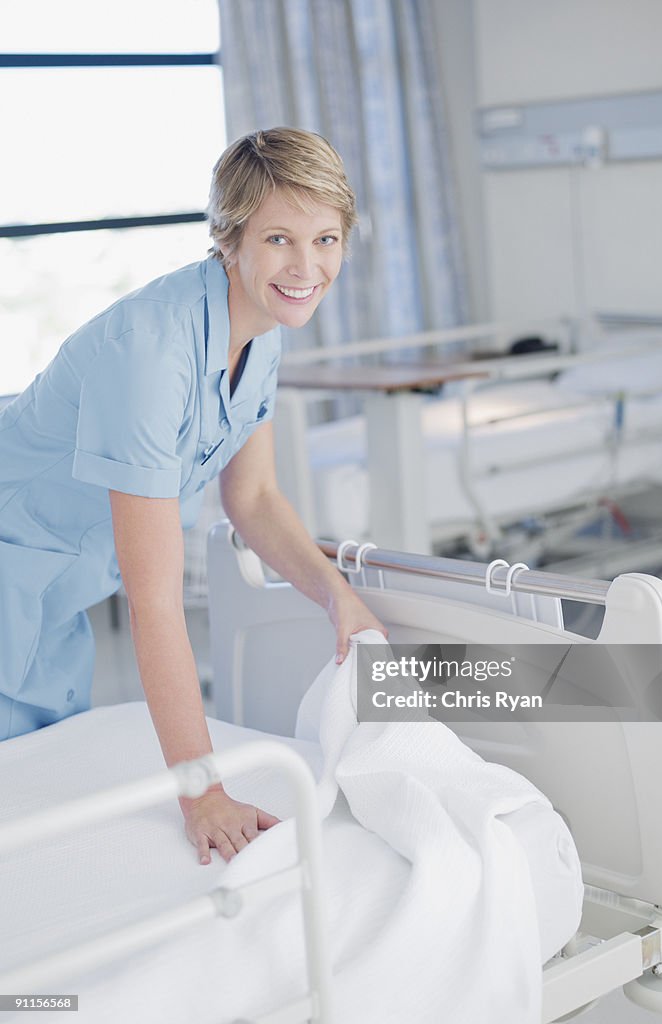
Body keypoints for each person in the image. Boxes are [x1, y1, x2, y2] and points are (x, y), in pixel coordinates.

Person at [0, 127, 386, 865]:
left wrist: (335, 594)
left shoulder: (262, 326)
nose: (307, 267)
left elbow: (256, 496)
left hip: (50, 594)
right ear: (230, 238)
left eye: (327, 239)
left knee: (37, 798)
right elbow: (154, 604)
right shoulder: (151, 354)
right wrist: (202, 791)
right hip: (12, 570)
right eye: (279, 239)